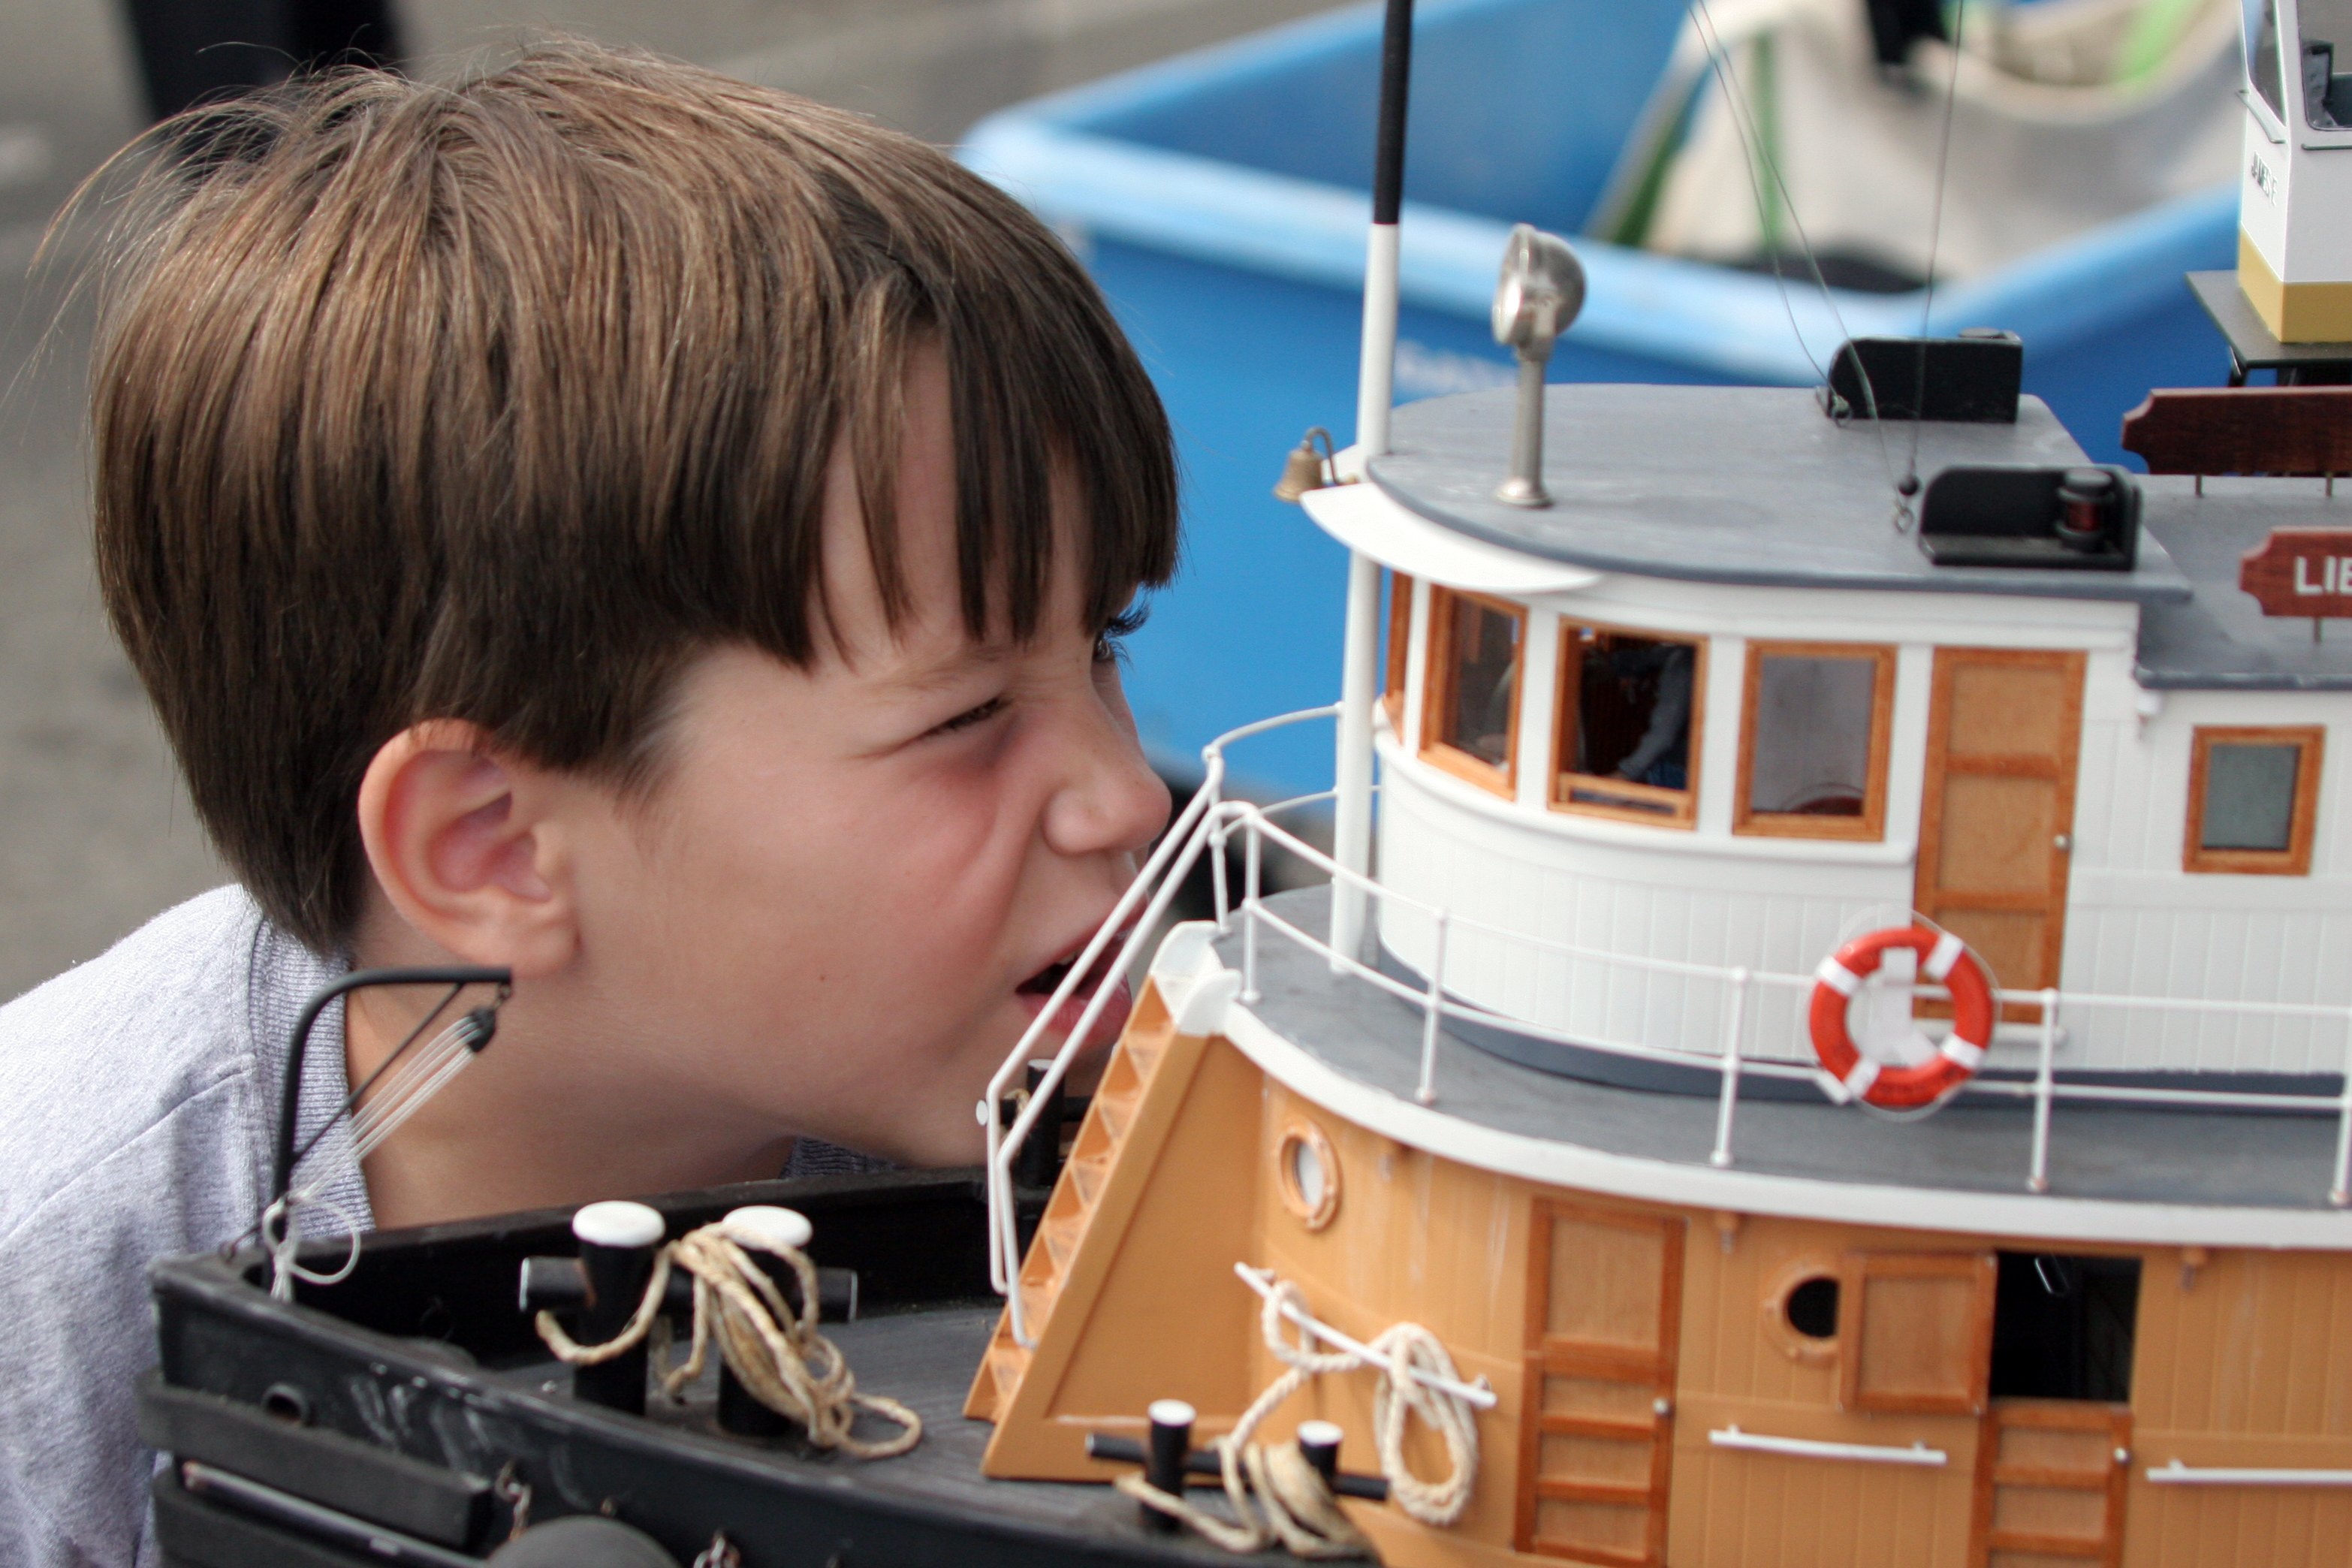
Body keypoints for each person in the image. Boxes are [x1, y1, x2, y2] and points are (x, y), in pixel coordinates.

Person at [0, 41, 1177, 1567]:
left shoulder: (1161, 1138)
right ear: (491, 845)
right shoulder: (50, 1265)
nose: (1126, 794)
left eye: (1107, 648)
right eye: (964, 721)